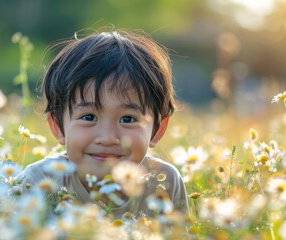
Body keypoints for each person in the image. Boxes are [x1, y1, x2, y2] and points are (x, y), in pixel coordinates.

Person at [19, 29, 189, 219]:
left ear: (158, 130)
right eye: (89, 117)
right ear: (57, 126)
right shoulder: (39, 182)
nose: (108, 138)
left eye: (128, 119)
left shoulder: (164, 182)